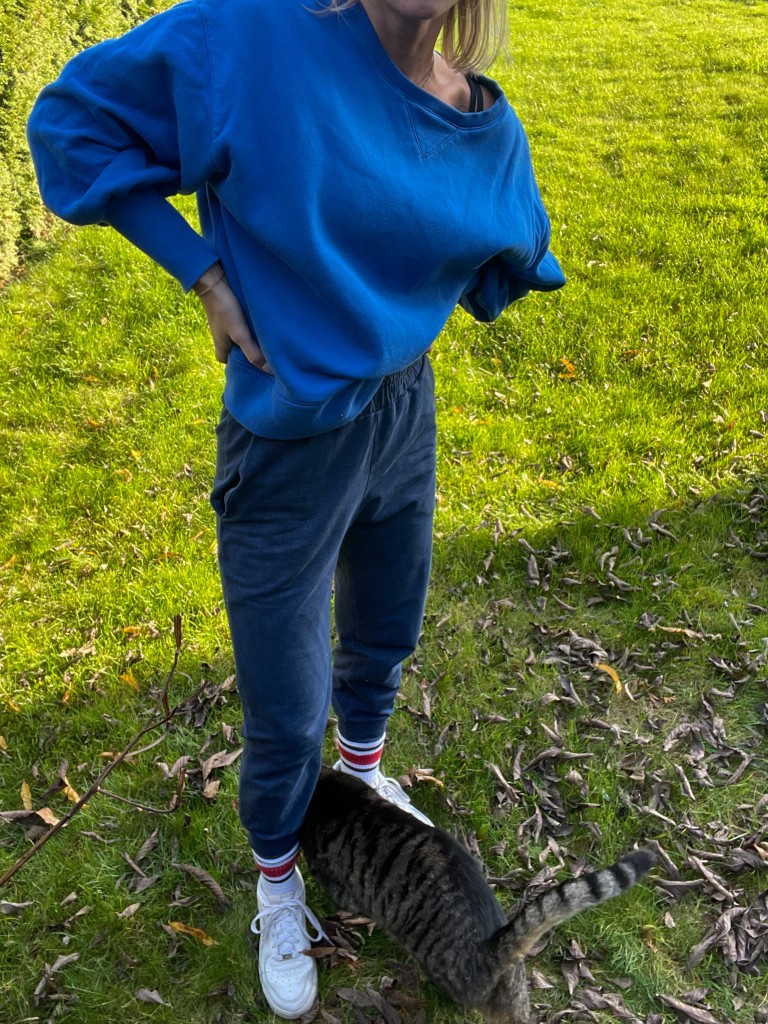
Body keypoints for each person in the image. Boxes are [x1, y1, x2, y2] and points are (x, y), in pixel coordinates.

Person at [27, 0, 565, 1016]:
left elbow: (512, 256)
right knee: (285, 703)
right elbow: (71, 122)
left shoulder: (477, 119)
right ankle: (279, 878)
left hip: (403, 410)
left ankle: (362, 782)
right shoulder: (250, 36)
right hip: (288, 442)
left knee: (386, 629)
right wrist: (204, 272)